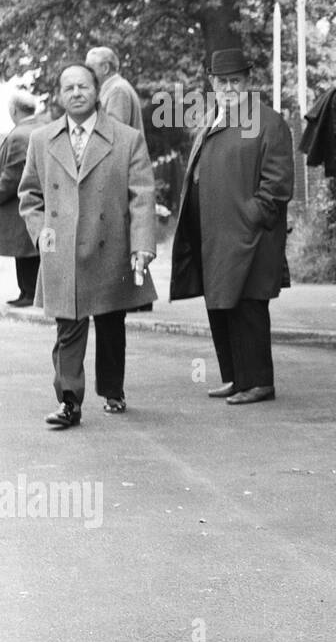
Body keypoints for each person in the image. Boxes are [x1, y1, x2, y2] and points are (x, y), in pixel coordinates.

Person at [17, 63, 157, 427]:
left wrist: (142, 245)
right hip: (61, 251)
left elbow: (142, 196)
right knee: (68, 328)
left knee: (111, 324)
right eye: (68, 88)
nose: (76, 93)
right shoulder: (42, 140)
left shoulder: (126, 139)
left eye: (83, 86)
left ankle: (113, 391)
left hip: (110, 248)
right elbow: (29, 196)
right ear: (60, 96)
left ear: (96, 91)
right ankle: (68, 402)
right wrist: (41, 234)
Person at [169, 48, 294, 406]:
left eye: (235, 81)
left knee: (248, 307)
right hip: (213, 236)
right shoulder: (212, 118)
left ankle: (258, 382)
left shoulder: (268, 122)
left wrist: (251, 218)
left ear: (248, 81)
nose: (228, 87)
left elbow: (278, 185)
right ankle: (236, 378)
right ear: (211, 83)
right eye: (222, 81)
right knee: (221, 306)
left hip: (249, 237)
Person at [1, 90, 42, 306]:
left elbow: (12, 176)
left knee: (23, 248)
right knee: (31, 248)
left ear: (13, 110)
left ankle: (28, 293)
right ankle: (28, 292)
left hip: (19, 202)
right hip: (39, 199)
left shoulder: (19, 134)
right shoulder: (41, 127)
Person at [85, 46, 146, 133]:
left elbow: (113, 134)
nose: (87, 73)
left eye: (90, 69)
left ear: (105, 68)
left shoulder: (117, 90)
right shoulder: (113, 88)